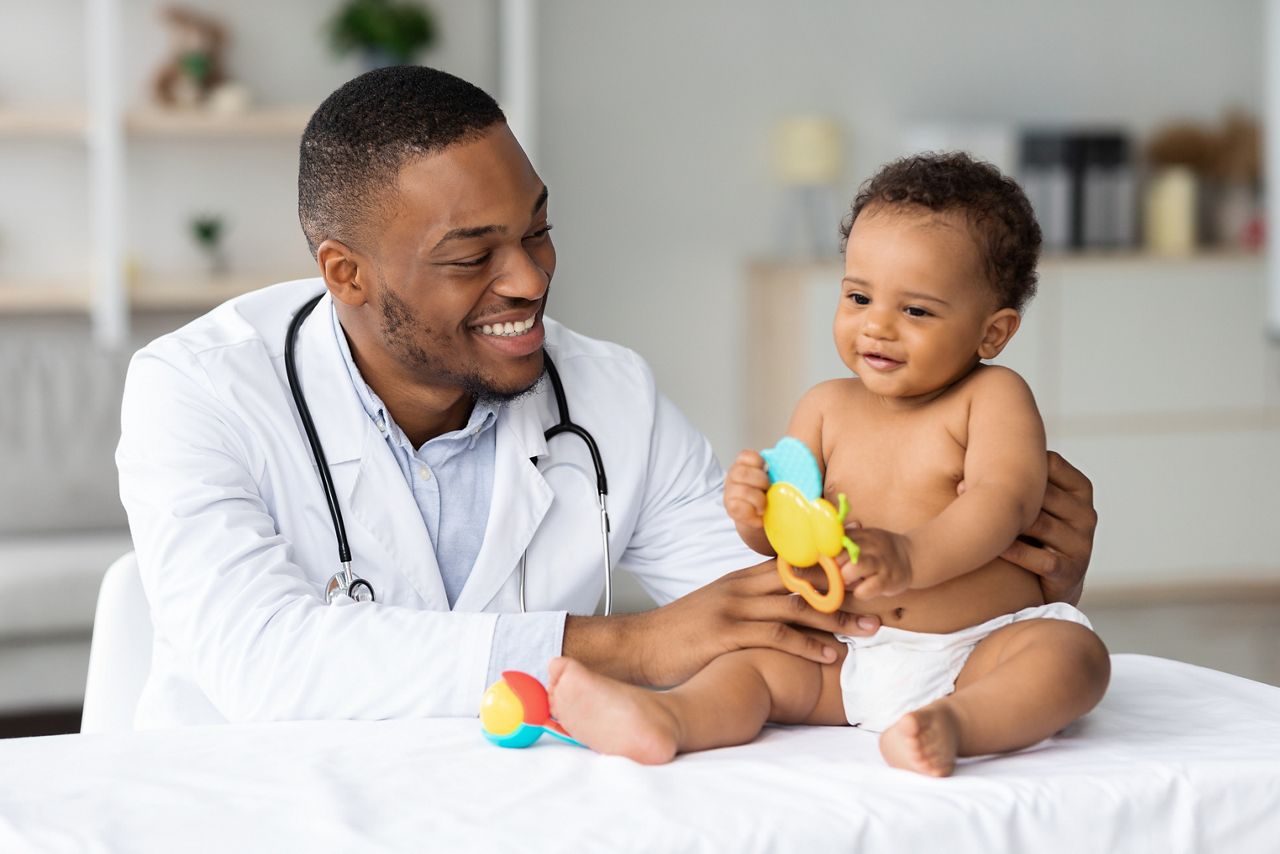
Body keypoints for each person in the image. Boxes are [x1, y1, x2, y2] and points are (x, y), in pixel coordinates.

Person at [116, 66, 1098, 728]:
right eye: (472, 256)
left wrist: (988, 585)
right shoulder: (196, 390)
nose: (528, 278)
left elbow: (788, 616)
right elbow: (260, 659)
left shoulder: (607, 395)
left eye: (536, 230)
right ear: (347, 272)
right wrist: (617, 643)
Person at [545, 153, 1110, 777]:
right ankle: (668, 719)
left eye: (916, 310)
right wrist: (754, 516)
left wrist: (910, 557)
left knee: (1070, 655)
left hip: (974, 647)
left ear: (992, 333)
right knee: (749, 665)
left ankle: (954, 723)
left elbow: (1003, 502)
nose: (877, 326)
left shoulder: (994, 397)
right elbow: (794, 532)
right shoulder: (824, 407)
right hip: (849, 651)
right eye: (859, 296)